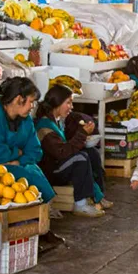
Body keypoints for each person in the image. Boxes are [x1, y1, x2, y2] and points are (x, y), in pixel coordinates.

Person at [34, 85, 107, 218]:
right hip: (50, 171)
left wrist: (82, 135)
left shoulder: (57, 121)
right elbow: (60, 152)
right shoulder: (44, 126)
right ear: (57, 103)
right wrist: (82, 134)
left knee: (92, 153)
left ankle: (97, 197)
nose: (71, 107)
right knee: (81, 158)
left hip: (59, 163)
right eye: (68, 102)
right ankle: (81, 204)